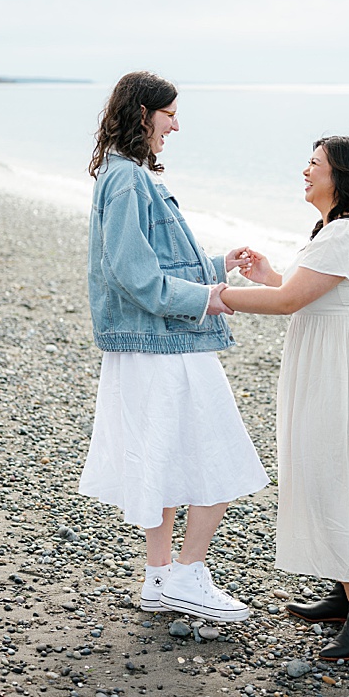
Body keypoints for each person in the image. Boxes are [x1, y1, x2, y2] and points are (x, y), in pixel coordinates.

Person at [219, 136, 349, 661]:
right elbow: (303, 291)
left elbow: (291, 301)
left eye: (314, 164)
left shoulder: (344, 232)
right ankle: (345, 595)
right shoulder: (342, 230)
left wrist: (215, 298)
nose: (305, 171)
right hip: (338, 361)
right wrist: (267, 276)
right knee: (328, 470)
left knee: (343, 477)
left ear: (341, 174)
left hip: (342, 370)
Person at [77, 71, 268, 623]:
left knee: (162, 459)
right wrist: (210, 297)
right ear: (143, 114)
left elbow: (150, 265)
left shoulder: (127, 176)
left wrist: (217, 267)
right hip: (162, 345)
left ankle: (160, 577)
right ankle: (187, 573)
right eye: (170, 114)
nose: (176, 125)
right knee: (218, 455)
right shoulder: (127, 181)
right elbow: (135, 275)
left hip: (153, 343)